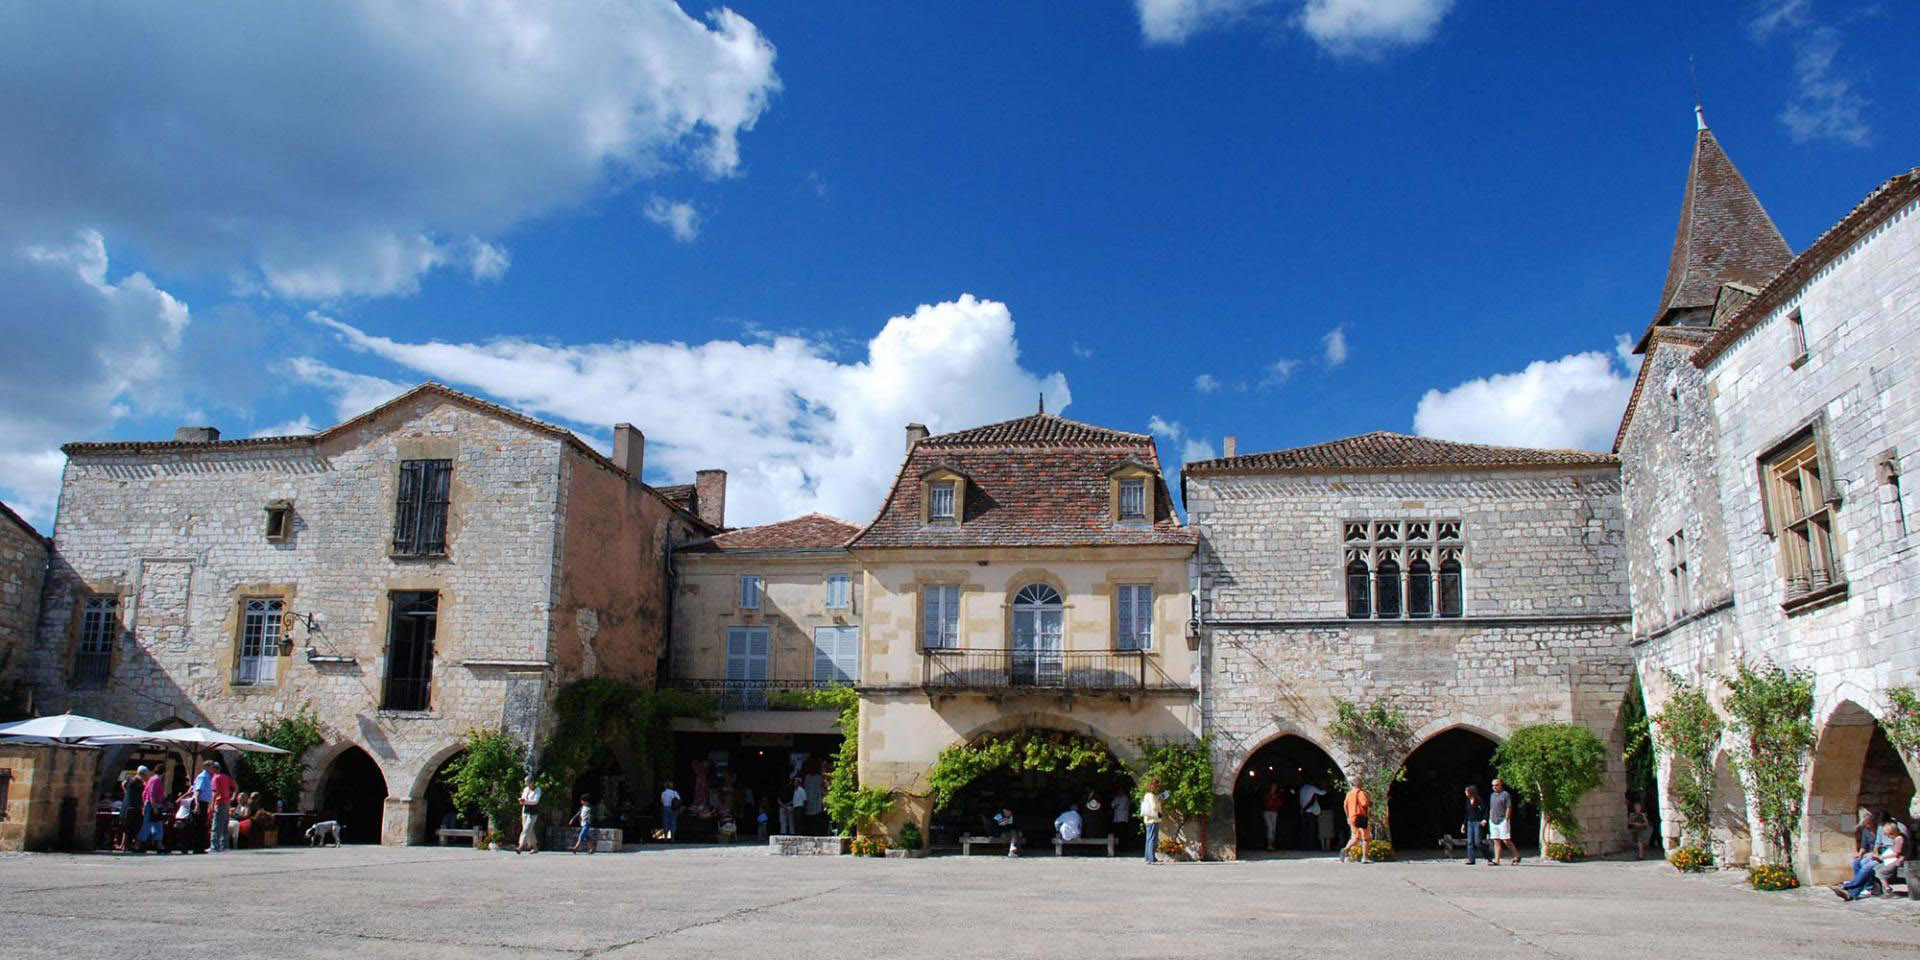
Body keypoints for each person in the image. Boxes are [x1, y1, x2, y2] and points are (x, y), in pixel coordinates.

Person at [1836, 820, 1905, 900]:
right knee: (1859, 862)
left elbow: (1896, 853)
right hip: (1884, 855)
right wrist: (1876, 853)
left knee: (1867, 867)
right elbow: (1877, 843)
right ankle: (1859, 890)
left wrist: (1880, 857)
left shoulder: (1898, 838)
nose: (1887, 837)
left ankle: (1848, 887)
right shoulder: (1885, 832)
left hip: (1889, 859)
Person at [207, 761, 237, 852]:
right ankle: (225, 845)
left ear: (214, 769)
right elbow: (236, 786)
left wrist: (211, 805)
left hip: (219, 802)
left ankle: (214, 846)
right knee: (224, 825)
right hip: (227, 802)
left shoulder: (215, 778)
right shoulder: (225, 777)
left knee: (216, 825)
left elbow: (215, 792)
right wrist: (233, 797)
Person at [1488, 777, 1519, 865]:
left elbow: (1509, 807)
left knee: (1506, 840)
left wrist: (1506, 818)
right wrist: (1490, 818)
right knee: (1496, 840)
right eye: (1493, 785)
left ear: (1501, 785)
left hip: (1502, 820)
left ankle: (1516, 856)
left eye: (1496, 785)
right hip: (1493, 820)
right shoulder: (1492, 795)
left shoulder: (1505, 794)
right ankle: (1497, 860)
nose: (1494, 787)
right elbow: (1491, 808)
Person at [1344, 783, 1371, 863]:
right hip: (1360, 817)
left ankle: (1346, 852)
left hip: (1352, 817)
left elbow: (1345, 806)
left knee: (1355, 837)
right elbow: (1364, 803)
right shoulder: (1361, 793)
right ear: (1360, 785)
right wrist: (1370, 803)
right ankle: (1364, 858)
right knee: (1366, 838)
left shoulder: (1349, 794)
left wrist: (1348, 816)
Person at [1298, 780, 1326, 852]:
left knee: (1304, 830)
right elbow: (1322, 793)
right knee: (1311, 830)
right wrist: (1325, 789)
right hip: (1310, 811)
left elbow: (1300, 801)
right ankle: (1310, 846)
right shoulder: (1312, 788)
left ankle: (1304, 846)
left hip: (1303, 811)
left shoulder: (1302, 788)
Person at [517, 775, 542, 854]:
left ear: (532, 782)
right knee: (529, 830)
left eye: (527, 782)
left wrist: (525, 802)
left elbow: (535, 801)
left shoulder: (537, 790)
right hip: (525, 811)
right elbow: (523, 798)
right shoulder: (526, 789)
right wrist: (521, 800)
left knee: (526, 829)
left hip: (533, 813)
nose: (526, 784)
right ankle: (535, 848)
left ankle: (521, 846)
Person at [1463, 785, 1487, 865]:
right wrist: (1464, 824)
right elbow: (1467, 813)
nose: (1465, 792)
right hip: (1470, 822)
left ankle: (1489, 856)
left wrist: (1484, 819)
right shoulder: (1468, 800)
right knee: (1470, 842)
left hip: (1478, 822)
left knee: (1477, 842)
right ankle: (1471, 859)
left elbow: (1485, 810)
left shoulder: (1479, 799)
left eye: (1466, 791)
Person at [1140, 779, 1163, 864]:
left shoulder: (1147, 795)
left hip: (1148, 819)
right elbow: (1154, 807)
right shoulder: (1151, 796)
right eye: (1158, 787)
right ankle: (1151, 859)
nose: (1158, 789)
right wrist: (1159, 802)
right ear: (1155, 787)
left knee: (1148, 839)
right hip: (1153, 819)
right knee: (1152, 839)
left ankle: (1148, 858)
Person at [118, 771, 143, 852]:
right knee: (131, 828)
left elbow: (123, 783)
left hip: (127, 808)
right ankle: (126, 845)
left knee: (126, 828)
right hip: (134, 809)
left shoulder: (130, 781)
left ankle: (123, 845)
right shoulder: (139, 784)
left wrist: (126, 792)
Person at [1262, 783, 1284, 851]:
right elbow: (1265, 803)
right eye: (1273, 787)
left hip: (1274, 812)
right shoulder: (1266, 794)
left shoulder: (1277, 795)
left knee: (1273, 828)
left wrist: (1274, 800)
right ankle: (1269, 845)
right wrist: (1271, 800)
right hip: (1267, 812)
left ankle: (1272, 844)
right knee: (1270, 827)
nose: (1274, 788)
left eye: (1275, 787)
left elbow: (1279, 804)